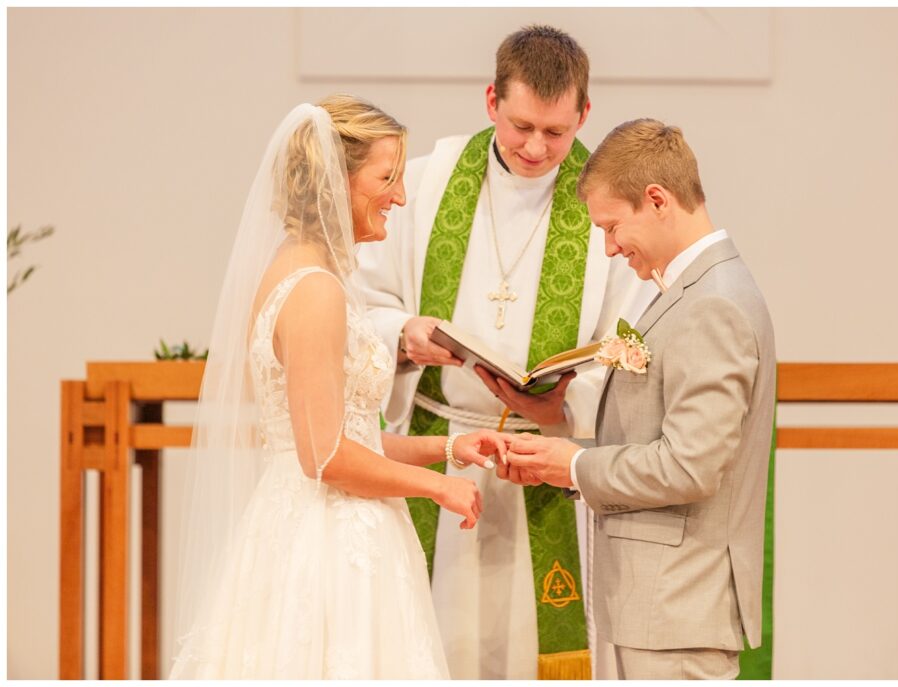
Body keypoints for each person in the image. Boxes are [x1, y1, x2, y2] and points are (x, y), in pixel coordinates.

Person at [168, 95, 510, 679]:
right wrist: (436, 487)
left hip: (312, 519)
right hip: (328, 543)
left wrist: (449, 450)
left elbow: (350, 435)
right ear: (335, 181)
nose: (400, 196)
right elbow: (325, 456)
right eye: (387, 178)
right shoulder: (315, 291)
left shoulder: (295, 269)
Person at [356, 25, 638, 679]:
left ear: (584, 116)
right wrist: (403, 334)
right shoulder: (427, 183)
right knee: (437, 645)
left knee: (529, 647)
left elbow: (629, 339)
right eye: (521, 126)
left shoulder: (606, 204)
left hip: (547, 463)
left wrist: (567, 404)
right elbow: (359, 301)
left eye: (556, 131)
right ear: (491, 101)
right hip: (441, 448)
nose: (537, 147)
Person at [504, 119, 777, 680]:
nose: (607, 247)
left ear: (657, 199)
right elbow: (662, 439)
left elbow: (691, 465)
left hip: (679, 604)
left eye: (611, 226)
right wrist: (560, 463)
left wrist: (579, 465)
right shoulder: (690, 292)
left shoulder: (713, 305)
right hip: (660, 606)